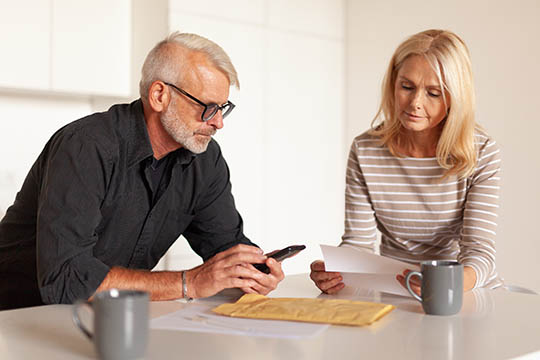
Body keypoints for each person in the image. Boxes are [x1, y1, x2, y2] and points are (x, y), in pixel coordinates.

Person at [0, 32, 284, 310]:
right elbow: (66, 278)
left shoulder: (205, 160)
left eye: (223, 108)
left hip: (107, 316)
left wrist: (259, 271)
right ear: (159, 95)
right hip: (18, 316)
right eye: (208, 107)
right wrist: (188, 283)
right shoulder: (87, 145)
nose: (219, 123)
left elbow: (227, 250)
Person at [310, 29, 503, 295]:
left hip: (462, 293)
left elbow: (479, 254)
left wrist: (441, 285)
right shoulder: (366, 149)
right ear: (393, 83)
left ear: (455, 97)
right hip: (397, 291)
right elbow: (359, 244)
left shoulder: (480, 151)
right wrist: (337, 271)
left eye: (433, 93)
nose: (415, 103)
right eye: (407, 87)